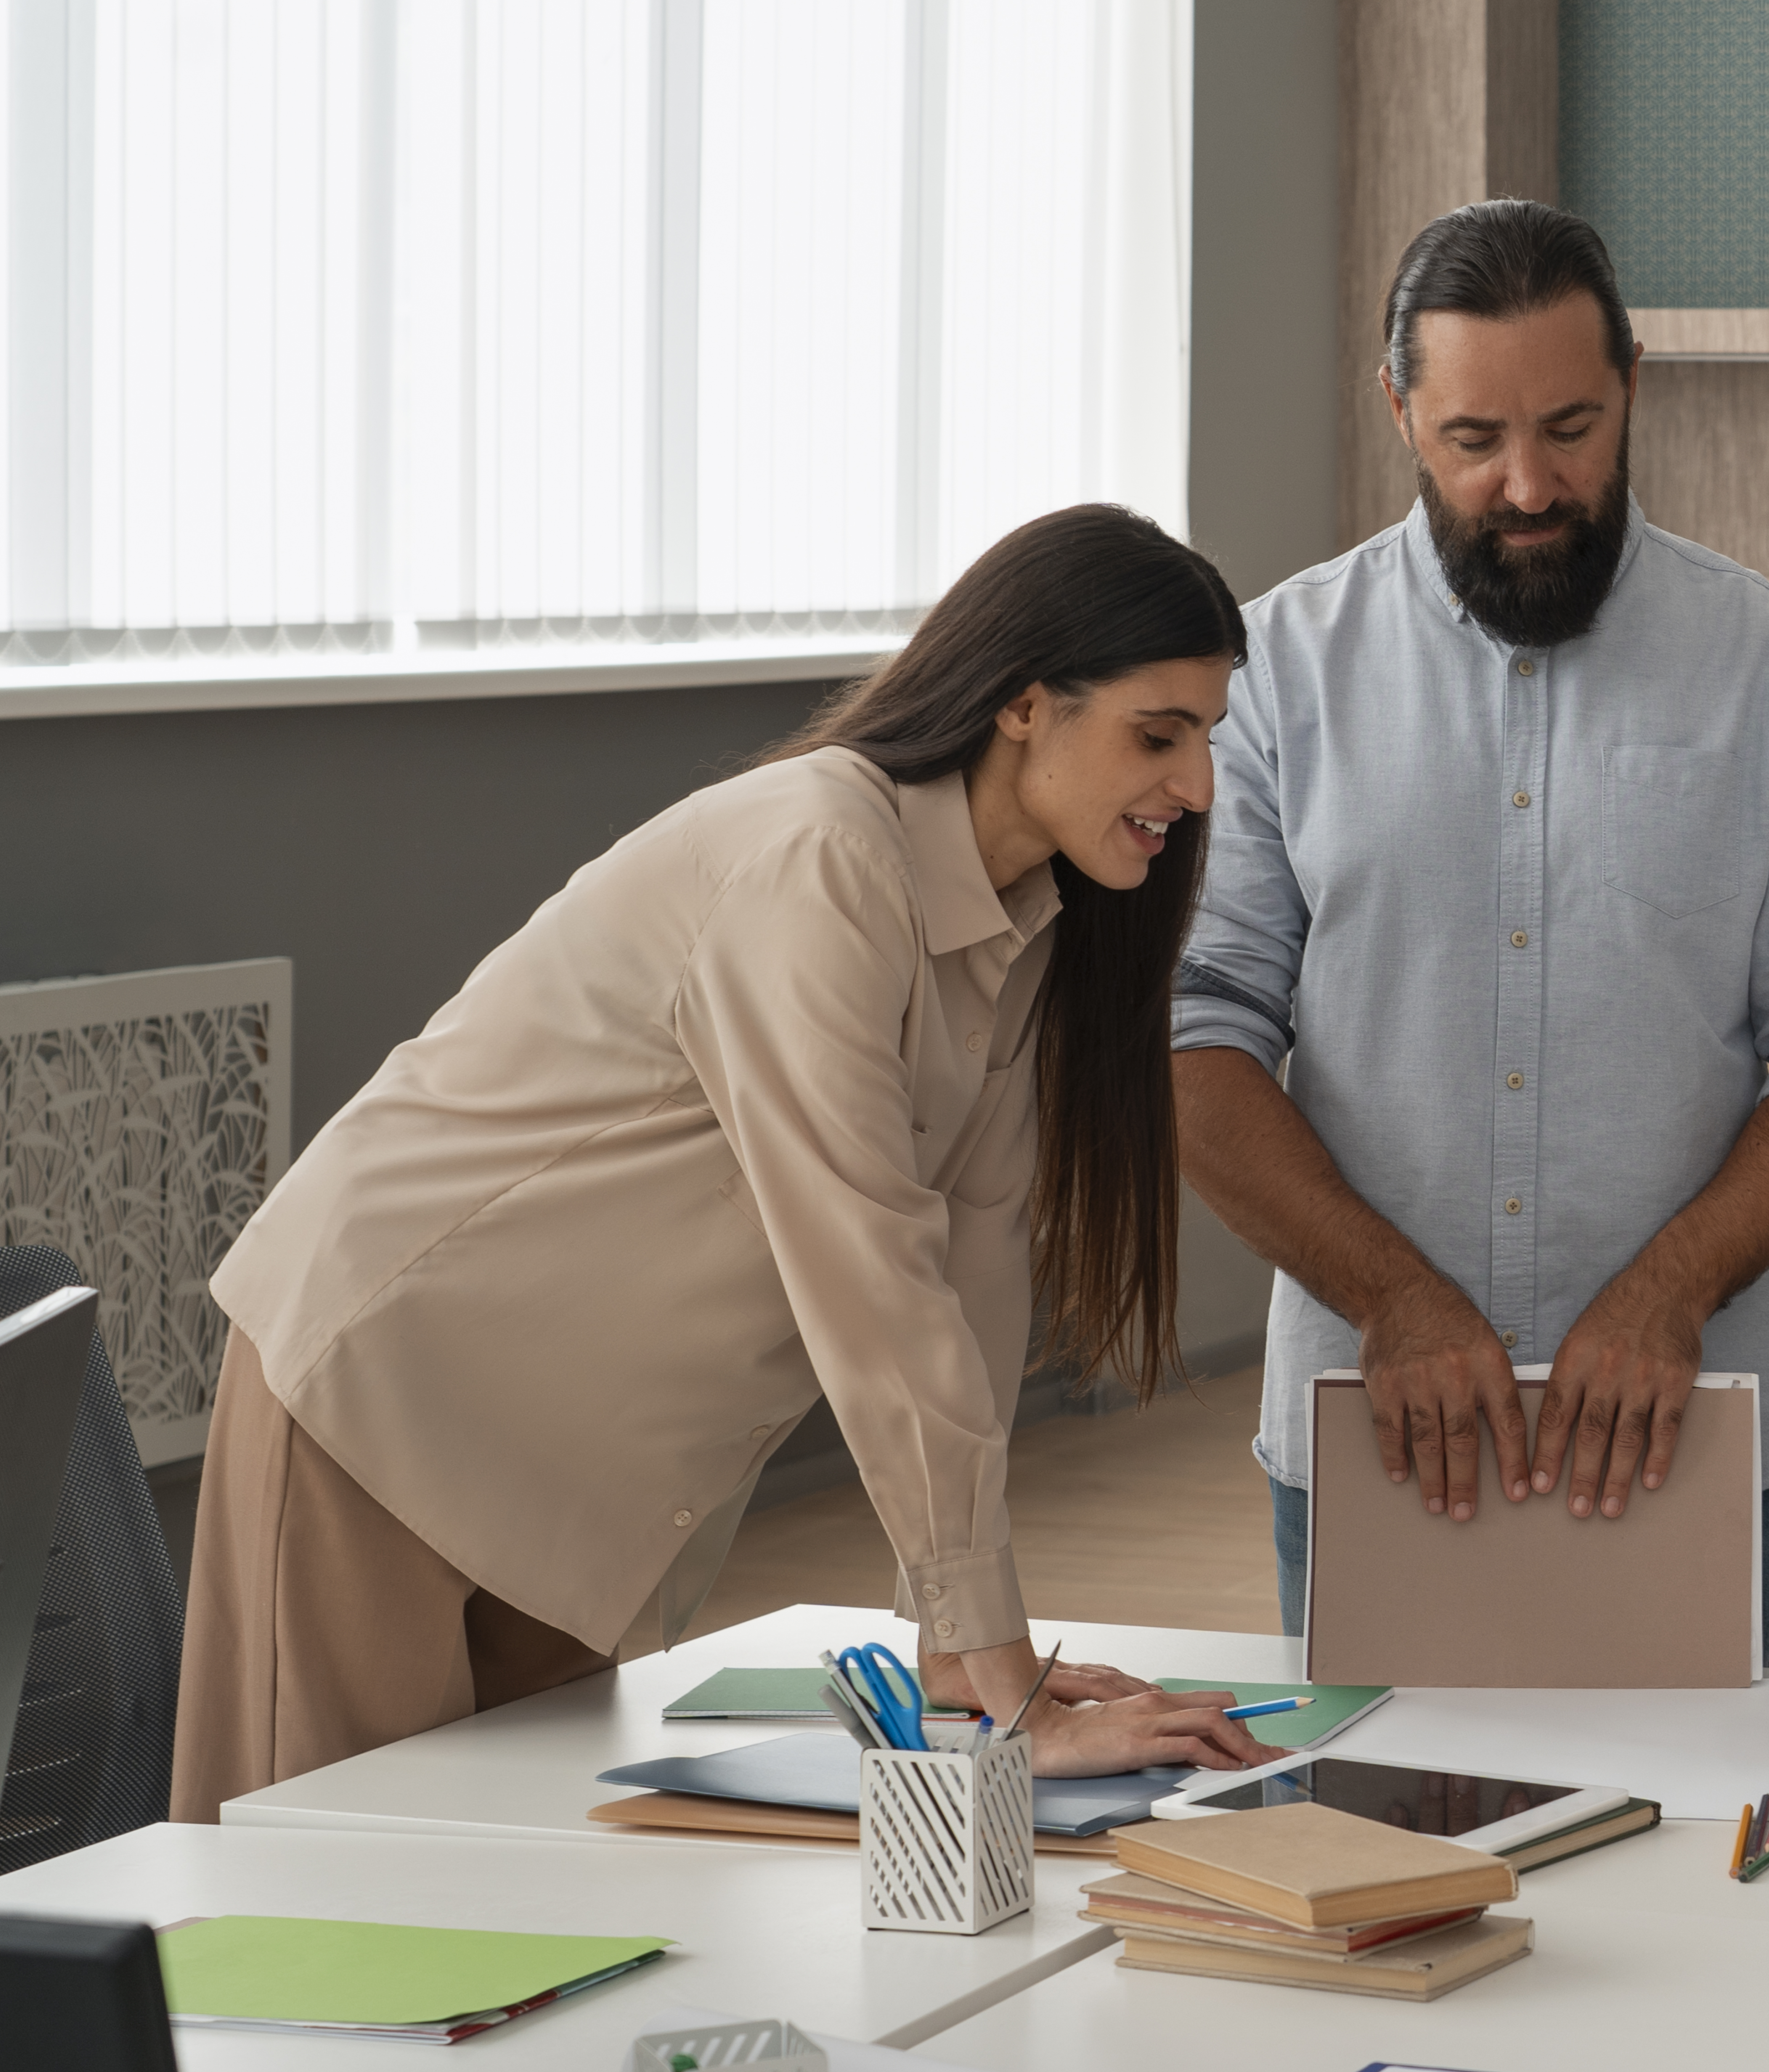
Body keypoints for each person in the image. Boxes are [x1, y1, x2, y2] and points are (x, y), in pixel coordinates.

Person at [176, 506, 1288, 1816]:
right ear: (1025, 705)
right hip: (391, 1387)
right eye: (1159, 736)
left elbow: (971, 1275)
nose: (1197, 787)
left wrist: (965, 1653)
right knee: (318, 1877)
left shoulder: (1026, 916)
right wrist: (1005, 1681)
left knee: (507, 1881)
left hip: (572, 1471)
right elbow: (870, 1269)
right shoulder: (821, 858)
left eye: (1207, 739)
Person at [1172, 200, 1769, 1636]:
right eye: (1473, 439)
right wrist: (1392, 1301)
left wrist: (1672, 1289)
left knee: (1680, 1790)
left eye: (1571, 428)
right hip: (1373, 1421)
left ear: (1632, 386)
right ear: (1399, 410)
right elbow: (1196, 1033)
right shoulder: (1274, 672)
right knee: (1378, 1782)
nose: (1528, 485)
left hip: (1691, 1414)